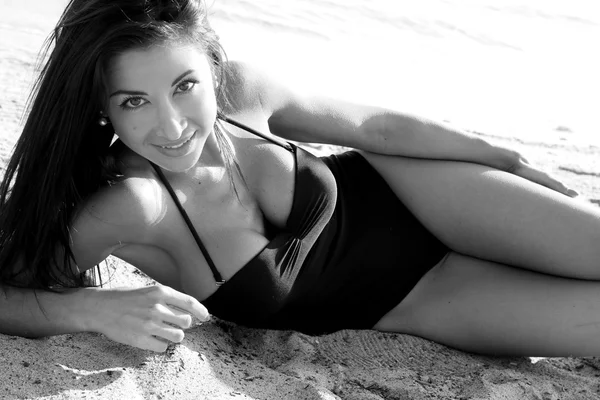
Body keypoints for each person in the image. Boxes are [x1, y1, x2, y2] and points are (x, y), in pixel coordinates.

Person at [1, 0, 598, 357]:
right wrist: (94, 309)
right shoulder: (132, 206)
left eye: (185, 87)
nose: (172, 125)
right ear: (103, 108)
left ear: (209, 69)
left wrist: (498, 157)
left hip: (427, 198)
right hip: (421, 301)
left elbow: (378, 130)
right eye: (134, 102)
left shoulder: (243, 91)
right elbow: (10, 292)